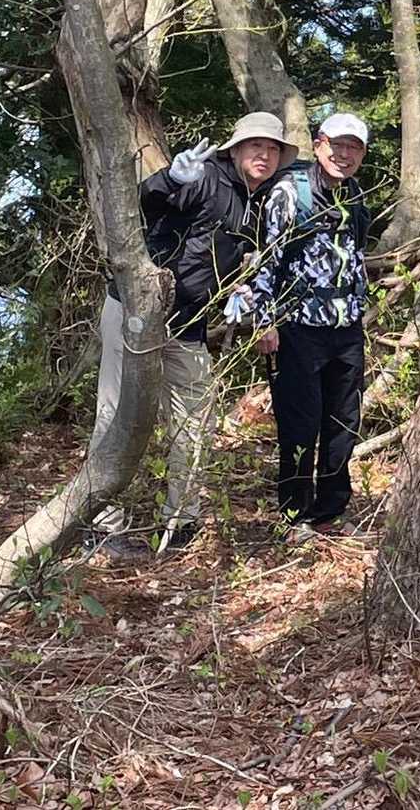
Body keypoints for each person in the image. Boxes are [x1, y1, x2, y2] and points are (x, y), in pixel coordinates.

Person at [94, 111, 297, 553]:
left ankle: (181, 522)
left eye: (272, 149)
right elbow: (142, 206)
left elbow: (228, 258)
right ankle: (102, 525)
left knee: (196, 419)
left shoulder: (257, 202)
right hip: (138, 310)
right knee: (116, 413)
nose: (264, 155)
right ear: (235, 150)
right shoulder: (204, 176)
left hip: (190, 323)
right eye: (256, 146)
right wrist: (169, 179)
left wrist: (239, 287)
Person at [249, 113, 373, 536]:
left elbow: (355, 256)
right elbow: (267, 260)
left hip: (347, 329)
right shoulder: (290, 193)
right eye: (337, 145)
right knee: (300, 425)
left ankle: (330, 511)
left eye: (354, 147)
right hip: (298, 328)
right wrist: (264, 321)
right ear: (319, 145)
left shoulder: (354, 193)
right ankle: (294, 515)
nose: (344, 155)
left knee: (343, 424)